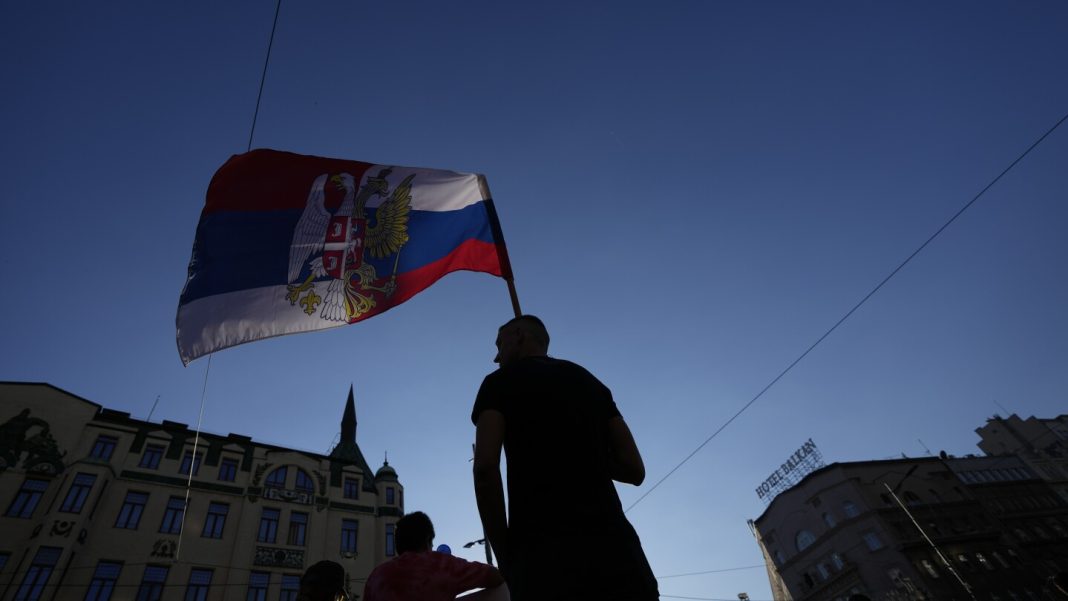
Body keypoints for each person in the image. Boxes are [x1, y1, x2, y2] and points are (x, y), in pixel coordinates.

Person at [472, 315, 659, 601]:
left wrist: (506, 555)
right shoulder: (590, 382)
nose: (495, 357)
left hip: (543, 561)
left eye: (500, 343)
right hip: (620, 556)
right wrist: (584, 449)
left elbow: (485, 468)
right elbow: (634, 470)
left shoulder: (498, 383)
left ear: (520, 335)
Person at [363, 511, 508, 601]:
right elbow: (494, 576)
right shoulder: (440, 565)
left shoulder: (376, 577)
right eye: (432, 543)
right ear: (427, 540)